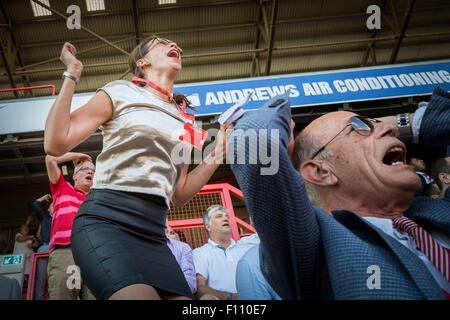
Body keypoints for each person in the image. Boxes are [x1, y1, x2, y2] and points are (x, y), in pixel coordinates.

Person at [44, 37, 232, 300]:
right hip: (107, 222)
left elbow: (180, 193)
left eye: (176, 43)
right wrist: (72, 73)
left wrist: (219, 151)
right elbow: (55, 142)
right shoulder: (119, 91)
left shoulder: (186, 118)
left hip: (154, 235)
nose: (174, 44)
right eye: (162, 42)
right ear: (142, 62)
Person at [229, 87, 450, 299]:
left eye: (380, 124)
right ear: (321, 171)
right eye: (358, 126)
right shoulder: (316, 252)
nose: (389, 129)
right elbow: (253, 140)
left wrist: (406, 123)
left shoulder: (438, 209)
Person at [45, 152, 95, 300]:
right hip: (66, 253)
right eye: (85, 169)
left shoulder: (97, 199)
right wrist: (75, 156)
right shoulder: (62, 188)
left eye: (93, 171)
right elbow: (50, 159)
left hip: (93, 257)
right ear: (74, 176)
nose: (90, 172)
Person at [192, 205, 254, 300]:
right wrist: (231, 297)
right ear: (208, 227)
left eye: (227, 216)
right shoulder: (200, 253)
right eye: (219, 216)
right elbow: (200, 289)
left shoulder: (245, 246)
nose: (225, 218)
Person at [30, 194, 53, 300]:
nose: (54, 206)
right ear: (48, 209)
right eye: (52, 205)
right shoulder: (45, 219)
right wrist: (44, 198)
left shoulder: (62, 218)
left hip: (58, 249)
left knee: (60, 277)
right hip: (45, 247)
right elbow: (35, 204)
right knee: (41, 280)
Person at [165, 221, 196, 295]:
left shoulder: (184, 248)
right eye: (166, 231)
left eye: (172, 232)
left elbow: (190, 281)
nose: (168, 235)